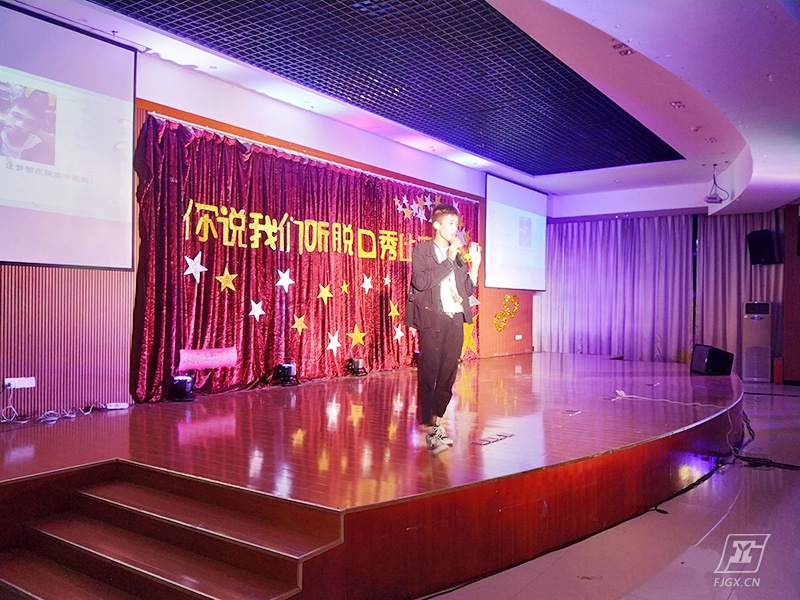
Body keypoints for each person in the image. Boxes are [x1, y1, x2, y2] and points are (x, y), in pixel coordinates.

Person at [406, 203, 481, 452]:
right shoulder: (423, 250)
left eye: (457, 225)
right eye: (450, 223)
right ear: (436, 224)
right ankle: (430, 429)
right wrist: (448, 260)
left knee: (448, 375)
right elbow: (420, 282)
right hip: (433, 318)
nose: (455, 229)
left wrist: (475, 267)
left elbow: (466, 290)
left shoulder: (457, 253)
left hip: (455, 318)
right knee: (430, 374)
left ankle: (436, 423)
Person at [0, 90, 55, 165]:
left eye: (30, 123)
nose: (18, 125)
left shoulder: (42, 152)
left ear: (36, 128)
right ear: (7, 112)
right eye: (16, 116)